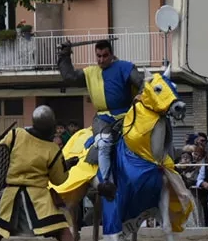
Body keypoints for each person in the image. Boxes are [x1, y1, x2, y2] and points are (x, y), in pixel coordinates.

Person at [0, 106, 91, 241]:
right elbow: (59, 180)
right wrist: (67, 166)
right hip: (37, 198)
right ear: (51, 127)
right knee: (62, 227)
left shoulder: (15, 135)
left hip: (12, 196)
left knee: (0, 230)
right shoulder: (52, 149)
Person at [57, 39, 144, 200]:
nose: (101, 60)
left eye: (105, 56)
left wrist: (141, 93)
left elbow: (141, 81)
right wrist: (64, 55)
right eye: (98, 56)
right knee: (103, 142)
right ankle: (106, 183)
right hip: (103, 118)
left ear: (111, 54)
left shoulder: (125, 67)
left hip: (128, 116)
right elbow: (69, 77)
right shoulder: (91, 72)